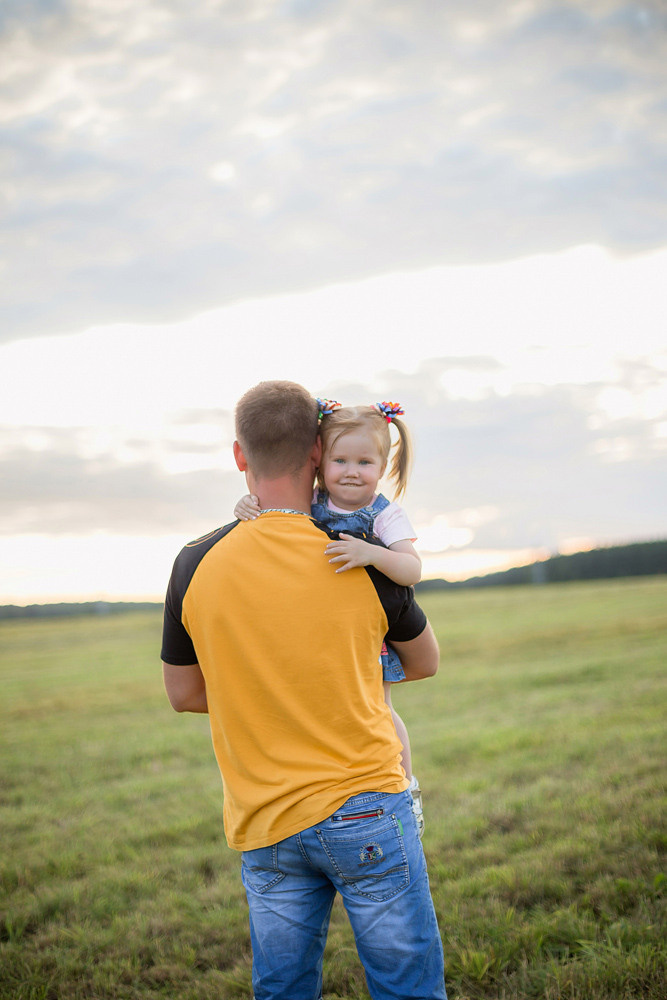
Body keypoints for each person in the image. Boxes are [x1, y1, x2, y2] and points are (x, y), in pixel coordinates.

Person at [161, 380, 447, 1000]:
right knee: (407, 989)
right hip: (368, 803)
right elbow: (423, 663)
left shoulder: (194, 561)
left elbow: (183, 694)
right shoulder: (355, 553)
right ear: (318, 453)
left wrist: (265, 688)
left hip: (264, 819)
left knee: (283, 990)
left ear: (241, 456)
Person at [234, 398, 425, 834]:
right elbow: (274, 519)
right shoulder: (311, 501)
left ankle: (405, 785)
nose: (352, 471)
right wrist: (246, 506)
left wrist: (371, 552)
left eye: (364, 461)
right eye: (340, 460)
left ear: (383, 464)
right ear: (320, 461)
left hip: (368, 631)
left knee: (379, 706)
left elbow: (412, 570)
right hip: (323, 627)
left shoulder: (385, 514)